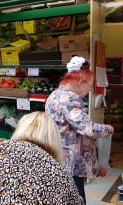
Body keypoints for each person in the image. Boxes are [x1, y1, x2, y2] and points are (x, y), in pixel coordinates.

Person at [45, 56, 114, 204]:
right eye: (89, 87)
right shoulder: (70, 98)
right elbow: (87, 128)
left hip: (59, 154)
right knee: (76, 198)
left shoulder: (54, 95)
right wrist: (107, 129)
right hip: (70, 159)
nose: (88, 91)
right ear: (81, 82)